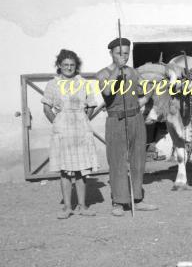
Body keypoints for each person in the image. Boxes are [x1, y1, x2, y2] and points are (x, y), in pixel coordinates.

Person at [96, 38, 158, 216]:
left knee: (138, 160)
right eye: (119, 53)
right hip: (116, 120)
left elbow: (143, 92)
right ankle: (119, 201)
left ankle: (137, 199)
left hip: (136, 118)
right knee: (117, 162)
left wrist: (146, 97)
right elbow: (107, 92)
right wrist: (117, 70)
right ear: (111, 53)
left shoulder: (133, 72)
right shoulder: (103, 74)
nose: (124, 57)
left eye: (126, 53)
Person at [42, 49, 99, 219]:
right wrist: (58, 122)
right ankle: (67, 207)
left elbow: (91, 105)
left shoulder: (84, 83)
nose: (69, 68)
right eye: (65, 65)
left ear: (76, 66)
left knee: (82, 170)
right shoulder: (53, 84)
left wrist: (83, 120)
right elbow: (46, 108)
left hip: (81, 129)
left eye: (72, 65)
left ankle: (82, 206)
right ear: (59, 65)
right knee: (65, 170)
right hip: (62, 131)